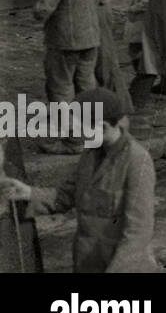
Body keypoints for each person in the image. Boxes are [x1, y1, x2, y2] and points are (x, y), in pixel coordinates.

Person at [0, 88, 157, 272]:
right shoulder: (91, 153)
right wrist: (29, 193)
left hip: (120, 267)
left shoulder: (137, 161)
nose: (75, 134)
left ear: (103, 126)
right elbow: (66, 195)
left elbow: (138, 233)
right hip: (88, 262)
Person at [34, 0, 107, 153]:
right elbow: (103, 1)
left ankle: (73, 141)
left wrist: (36, 11)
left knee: (61, 89)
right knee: (87, 87)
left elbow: (43, 10)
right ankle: (91, 133)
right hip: (91, 40)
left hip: (64, 43)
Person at [120, 0, 161, 105]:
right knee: (136, 52)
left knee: (140, 55)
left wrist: (132, 9)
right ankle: (156, 85)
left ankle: (139, 92)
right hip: (138, 23)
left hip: (142, 23)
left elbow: (148, 0)